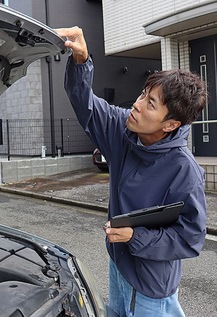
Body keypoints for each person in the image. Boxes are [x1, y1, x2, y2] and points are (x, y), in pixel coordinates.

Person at [55, 26, 207, 317]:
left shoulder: (183, 170)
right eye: (142, 94)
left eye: (150, 104)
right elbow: (86, 105)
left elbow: (190, 237)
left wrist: (134, 237)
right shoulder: (124, 130)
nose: (136, 105)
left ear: (170, 124)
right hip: (119, 265)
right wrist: (81, 60)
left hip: (150, 285)